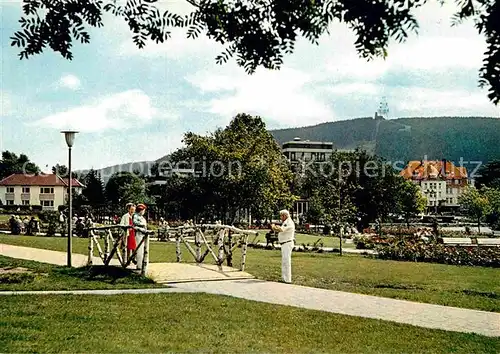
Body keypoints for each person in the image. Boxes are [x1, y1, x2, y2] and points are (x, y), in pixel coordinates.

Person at [271, 209, 295, 283]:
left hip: (287, 243)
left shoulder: (288, 222)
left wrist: (273, 227)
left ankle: (287, 279)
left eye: (281, 215)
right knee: (284, 261)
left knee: (286, 261)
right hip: (284, 244)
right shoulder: (286, 222)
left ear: (285, 215)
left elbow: (281, 230)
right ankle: (284, 278)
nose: (281, 217)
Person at [133, 203, 149, 270]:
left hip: (143, 234)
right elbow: (135, 222)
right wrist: (142, 225)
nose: (144, 212)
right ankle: (139, 265)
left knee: (143, 249)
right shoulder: (136, 216)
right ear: (140, 210)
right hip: (139, 234)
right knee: (139, 249)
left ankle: (144, 263)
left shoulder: (141, 217)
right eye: (143, 210)